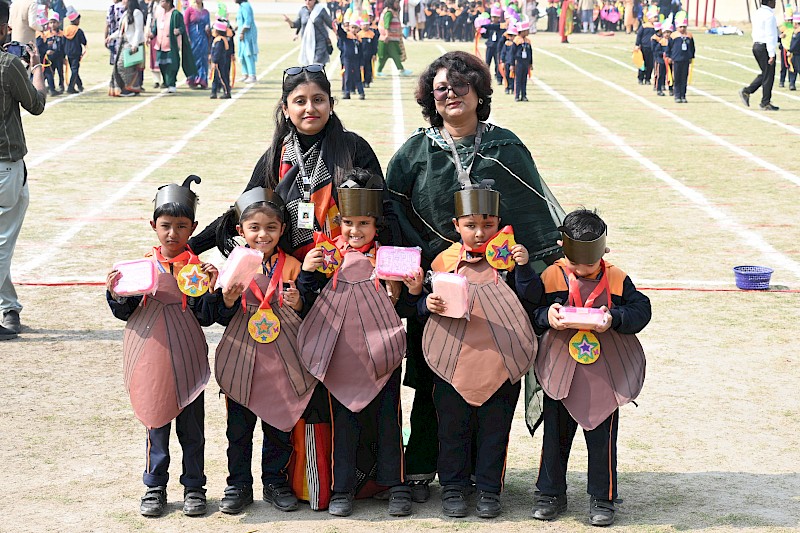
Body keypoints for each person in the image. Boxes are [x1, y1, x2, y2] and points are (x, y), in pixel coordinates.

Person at [188, 65, 385, 510]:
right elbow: (239, 213)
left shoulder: (353, 149)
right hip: (289, 286)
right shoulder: (276, 152)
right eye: (300, 101)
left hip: (339, 284)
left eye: (318, 99)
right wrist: (190, 247)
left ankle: (350, 479)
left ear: (331, 103)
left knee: (343, 384)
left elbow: (381, 210)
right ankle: (296, 481)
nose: (309, 108)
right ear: (285, 107)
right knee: (289, 381)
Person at [385, 51, 564, 503]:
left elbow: (533, 215)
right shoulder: (414, 152)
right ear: (430, 97)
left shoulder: (506, 147)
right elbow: (394, 215)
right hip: (437, 285)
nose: (452, 95)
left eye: (461, 86)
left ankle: (482, 478)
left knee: (493, 375)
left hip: (497, 291)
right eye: (442, 88)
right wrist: (426, 268)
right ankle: (423, 467)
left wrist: (537, 268)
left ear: (479, 92)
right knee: (434, 377)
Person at [410, 183, 539, 519]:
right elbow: (422, 309)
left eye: (488, 225)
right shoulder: (444, 260)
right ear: (456, 225)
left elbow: (532, 300)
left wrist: (524, 269)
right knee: (452, 429)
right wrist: (425, 304)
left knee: (495, 430)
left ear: (499, 224)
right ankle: (453, 488)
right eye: (470, 225)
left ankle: (488, 490)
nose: (480, 233)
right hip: (452, 362)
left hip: (501, 361)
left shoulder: (508, 260)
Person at [296, 169, 413, 518]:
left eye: (364, 223)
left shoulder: (390, 259)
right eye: (348, 222)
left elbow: (407, 307)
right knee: (344, 422)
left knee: (388, 419)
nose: (355, 230)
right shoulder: (326, 256)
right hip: (340, 354)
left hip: (382, 352)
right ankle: (342, 488)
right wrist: (306, 272)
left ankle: (396, 485)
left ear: (377, 225)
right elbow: (306, 301)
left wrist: (405, 291)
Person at [105, 177, 220, 517]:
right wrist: (115, 293)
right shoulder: (140, 268)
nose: (172, 234)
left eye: (181, 227)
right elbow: (126, 312)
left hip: (187, 357)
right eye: (166, 226)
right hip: (152, 358)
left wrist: (210, 291)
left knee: (192, 428)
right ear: (153, 225)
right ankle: (154, 487)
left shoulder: (197, 270)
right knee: (155, 422)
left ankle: (194, 487)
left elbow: (205, 318)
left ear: (193, 228)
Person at [530, 209, 650, 527]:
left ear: (603, 251)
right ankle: (549, 493)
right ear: (562, 248)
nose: (583, 270)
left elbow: (642, 310)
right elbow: (531, 312)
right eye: (576, 262)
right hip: (560, 371)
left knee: (602, 440)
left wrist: (615, 317)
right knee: (554, 436)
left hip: (602, 375)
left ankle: (603, 497)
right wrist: (547, 316)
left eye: (591, 262)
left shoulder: (617, 278)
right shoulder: (552, 276)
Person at [212, 188, 312, 515]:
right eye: (254, 227)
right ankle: (238, 484)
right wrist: (227, 300)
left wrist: (299, 304)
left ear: (282, 229)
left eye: (271, 227)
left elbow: (309, 314)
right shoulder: (232, 266)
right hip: (242, 358)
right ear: (240, 230)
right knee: (238, 429)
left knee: (279, 425)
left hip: (281, 362)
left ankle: (275, 482)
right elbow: (216, 315)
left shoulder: (293, 267)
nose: (262, 234)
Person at [0, 3, 46, 341]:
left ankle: (9, 307)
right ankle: (7, 309)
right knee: (2, 244)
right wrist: (37, 70)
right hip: (6, 166)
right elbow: (36, 104)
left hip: (11, 167)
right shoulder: (8, 64)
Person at [739, 0, 779, 111]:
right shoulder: (769, 16)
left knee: (766, 73)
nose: (775, 2)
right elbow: (770, 35)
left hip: (756, 45)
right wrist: (771, 54)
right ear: (769, 2)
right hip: (764, 47)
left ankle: (748, 92)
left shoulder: (757, 13)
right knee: (769, 75)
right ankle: (764, 102)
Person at [152, 0, 197, 94]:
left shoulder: (176, 14)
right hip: (160, 45)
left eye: (163, 1)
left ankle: (171, 84)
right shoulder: (159, 14)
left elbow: (182, 27)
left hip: (171, 45)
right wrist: (152, 34)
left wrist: (178, 31)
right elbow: (155, 27)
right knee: (162, 65)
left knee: (172, 66)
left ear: (168, 3)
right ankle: (166, 82)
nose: (161, 3)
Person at [108, 0, 145, 97]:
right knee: (120, 65)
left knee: (124, 66)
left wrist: (135, 45)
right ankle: (126, 88)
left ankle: (130, 88)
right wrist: (111, 37)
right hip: (123, 43)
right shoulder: (126, 13)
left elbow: (138, 30)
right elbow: (122, 30)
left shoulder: (137, 13)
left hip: (132, 43)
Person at [285, 0, 333, 67]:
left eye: (310, 0)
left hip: (320, 42)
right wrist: (289, 21)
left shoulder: (320, 10)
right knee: (308, 66)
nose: (307, 2)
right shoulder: (303, 11)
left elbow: (330, 24)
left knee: (317, 64)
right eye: (306, 0)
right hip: (307, 43)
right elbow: (296, 25)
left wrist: (338, 33)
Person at [376, 0, 413, 76]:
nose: (397, 4)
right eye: (396, 3)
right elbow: (386, 25)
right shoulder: (389, 13)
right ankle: (401, 70)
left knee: (385, 56)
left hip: (392, 38)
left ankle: (379, 71)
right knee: (395, 54)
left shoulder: (393, 12)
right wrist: (387, 35)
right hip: (389, 39)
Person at [665, 14, 693, 103]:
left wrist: (691, 56)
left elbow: (692, 47)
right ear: (677, 27)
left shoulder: (689, 36)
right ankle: (677, 95)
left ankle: (683, 95)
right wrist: (669, 56)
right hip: (676, 59)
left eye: (684, 27)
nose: (682, 29)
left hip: (685, 59)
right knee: (677, 78)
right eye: (680, 27)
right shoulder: (673, 36)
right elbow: (669, 47)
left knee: (684, 78)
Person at [336, 16, 365, 100]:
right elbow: (340, 33)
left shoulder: (358, 39)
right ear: (349, 28)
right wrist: (339, 24)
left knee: (357, 76)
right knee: (347, 76)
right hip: (347, 59)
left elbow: (361, 52)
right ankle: (347, 93)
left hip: (356, 60)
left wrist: (361, 63)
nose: (354, 29)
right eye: (352, 27)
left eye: (356, 28)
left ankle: (361, 93)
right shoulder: (346, 36)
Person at [37, 13, 66, 97]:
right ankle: (50, 87)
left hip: (59, 56)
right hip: (49, 57)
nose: (52, 24)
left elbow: (64, 46)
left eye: (54, 22)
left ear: (58, 23)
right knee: (50, 72)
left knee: (60, 72)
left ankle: (61, 86)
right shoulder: (46, 34)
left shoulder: (62, 34)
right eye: (51, 22)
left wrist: (64, 56)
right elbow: (43, 46)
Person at [184, 0, 211, 89]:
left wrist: (208, 29)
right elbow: (186, 24)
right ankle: (192, 79)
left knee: (203, 58)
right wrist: (187, 37)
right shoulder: (189, 10)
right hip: (193, 38)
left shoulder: (206, 12)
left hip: (203, 38)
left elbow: (208, 24)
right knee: (193, 58)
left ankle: (202, 80)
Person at [63, 8, 86, 94]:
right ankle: (70, 87)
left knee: (74, 69)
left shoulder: (65, 30)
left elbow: (63, 42)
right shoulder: (78, 31)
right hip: (76, 53)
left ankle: (80, 85)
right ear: (76, 20)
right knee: (75, 69)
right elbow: (84, 41)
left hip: (68, 52)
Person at [235, 0, 258, 83]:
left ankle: (252, 75)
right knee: (242, 54)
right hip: (241, 34)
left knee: (248, 54)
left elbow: (248, 21)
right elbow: (240, 21)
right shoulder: (240, 7)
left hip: (248, 34)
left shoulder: (246, 6)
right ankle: (245, 74)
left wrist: (242, 32)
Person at [209, 19, 232, 99]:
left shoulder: (220, 40)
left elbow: (217, 52)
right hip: (218, 62)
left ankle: (227, 92)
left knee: (222, 77)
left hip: (219, 63)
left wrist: (214, 61)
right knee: (215, 78)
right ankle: (213, 92)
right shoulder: (219, 39)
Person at [512, 21, 532, 102]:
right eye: (526, 30)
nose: (528, 32)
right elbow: (512, 53)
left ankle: (524, 95)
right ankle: (517, 95)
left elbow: (530, 53)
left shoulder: (528, 41)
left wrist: (530, 63)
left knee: (524, 79)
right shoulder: (516, 41)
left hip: (525, 63)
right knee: (518, 79)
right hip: (518, 62)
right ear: (522, 31)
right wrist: (512, 64)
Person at [634, 13, 655, 85]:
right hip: (644, 47)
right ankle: (640, 78)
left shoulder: (656, 27)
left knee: (650, 64)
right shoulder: (644, 26)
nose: (656, 19)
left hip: (652, 48)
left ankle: (648, 78)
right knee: (642, 64)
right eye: (654, 17)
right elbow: (639, 36)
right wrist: (637, 44)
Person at [788, 13, 800, 90]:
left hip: (798, 54)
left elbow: (796, 43)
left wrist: (790, 50)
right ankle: (792, 84)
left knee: (797, 68)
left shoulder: (798, 32)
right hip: (794, 54)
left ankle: (792, 84)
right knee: (792, 69)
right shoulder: (795, 31)